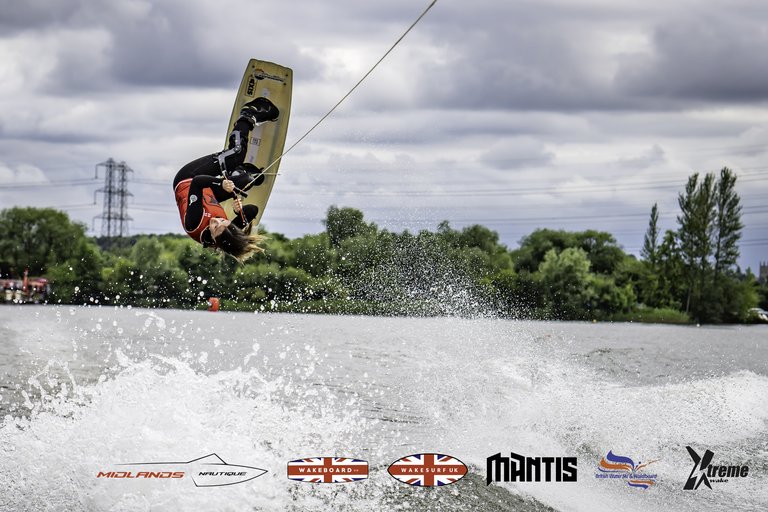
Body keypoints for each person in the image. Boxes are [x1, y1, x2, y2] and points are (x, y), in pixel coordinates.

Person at [173, 97, 279, 262]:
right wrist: (239, 212)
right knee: (246, 181)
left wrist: (221, 183)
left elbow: (198, 182)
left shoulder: (194, 223)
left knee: (235, 154)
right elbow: (252, 211)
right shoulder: (227, 231)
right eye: (223, 220)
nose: (216, 220)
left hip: (188, 179)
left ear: (215, 240)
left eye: (215, 226)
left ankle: (248, 114)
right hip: (211, 195)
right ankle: (244, 172)